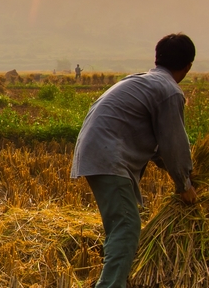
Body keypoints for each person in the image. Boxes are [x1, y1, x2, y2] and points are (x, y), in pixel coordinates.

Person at [71, 33, 198, 288]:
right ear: (188, 66)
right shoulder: (169, 91)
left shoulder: (145, 81)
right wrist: (184, 185)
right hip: (109, 157)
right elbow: (174, 144)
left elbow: (159, 147)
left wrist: (178, 171)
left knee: (121, 226)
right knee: (127, 227)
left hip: (97, 151)